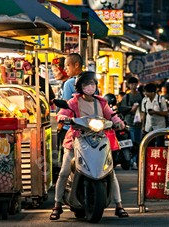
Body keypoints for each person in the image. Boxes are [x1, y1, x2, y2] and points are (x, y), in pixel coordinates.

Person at [51, 71, 129, 220]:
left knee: (110, 171)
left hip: (99, 139)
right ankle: (57, 205)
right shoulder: (73, 102)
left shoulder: (101, 102)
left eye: (92, 84)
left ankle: (119, 206)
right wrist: (64, 118)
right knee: (64, 171)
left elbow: (112, 116)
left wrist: (119, 123)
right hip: (77, 139)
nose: (90, 87)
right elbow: (63, 112)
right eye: (86, 84)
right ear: (80, 87)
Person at [118, 77, 143, 155]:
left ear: (137, 84)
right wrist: (132, 109)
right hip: (129, 123)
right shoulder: (126, 97)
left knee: (139, 143)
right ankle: (132, 160)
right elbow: (123, 109)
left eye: (135, 84)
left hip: (140, 123)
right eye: (132, 84)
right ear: (129, 85)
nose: (133, 86)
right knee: (131, 142)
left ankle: (137, 160)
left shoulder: (141, 96)